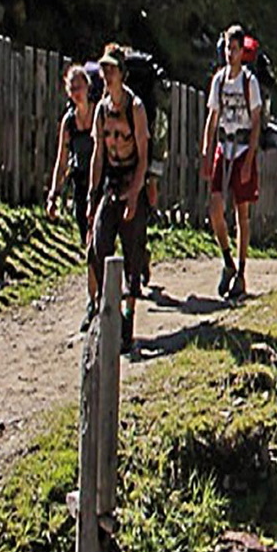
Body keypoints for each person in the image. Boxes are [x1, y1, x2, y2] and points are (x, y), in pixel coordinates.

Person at [87, 43, 149, 356]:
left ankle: (127, 323)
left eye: (111, 69)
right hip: (111, 183)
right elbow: (98, 154)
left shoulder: (135, 108)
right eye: (104, 69)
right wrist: (91, 195)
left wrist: (135, 196)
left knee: (132, 256)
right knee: (98, 246)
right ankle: (102, 310)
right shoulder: (101, 110)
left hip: (132, 181)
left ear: (122, 73)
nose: (106, 75)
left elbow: (143, 157)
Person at [202, 24, 261, 302]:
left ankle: (242, 272)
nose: (230, 53)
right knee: (215, 208)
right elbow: (212, 117)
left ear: (242, 51)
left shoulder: (249, 82)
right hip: (223, 146)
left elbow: (257, 120)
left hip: (242, 148)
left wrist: (249, 159)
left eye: (234, 48)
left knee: (241, 213)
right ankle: (227, 260)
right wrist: (206, 152)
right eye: (227, 48)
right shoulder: (219, 80)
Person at [47, 62, 98, 330]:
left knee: (98, 241)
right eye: (72, 88)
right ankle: (95, 299)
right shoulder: (69, 123)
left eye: (80, 86)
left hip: (101, 183)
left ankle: (98, 297)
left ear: (88, 88)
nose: (77, 92)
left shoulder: (100, 114)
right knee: (88, 244)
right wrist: (54, 194)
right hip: (80, 186)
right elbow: (62, 160)